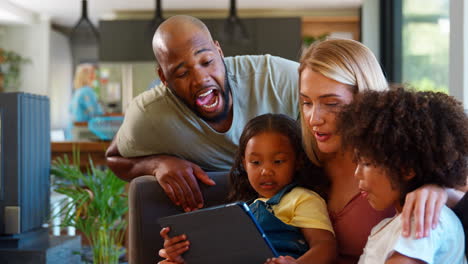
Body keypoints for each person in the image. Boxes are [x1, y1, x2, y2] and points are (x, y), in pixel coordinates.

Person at [105, 15, 299, 212]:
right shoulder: (149, 113)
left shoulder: (277, 79)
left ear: (219, 51)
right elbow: (114, 158)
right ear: (164, 77)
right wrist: (157, 164)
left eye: (206, 61)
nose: (200, 79)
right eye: (181, 73)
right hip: (217, 213)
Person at [297, 39, 466, 264]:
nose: (314, 118)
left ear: (362, 100)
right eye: (307, 102)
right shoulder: (298, 160)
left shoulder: (402, 163)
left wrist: (440, 188)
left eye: (331, 103)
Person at [159, 114, 336, 264]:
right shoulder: (243, 211)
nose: (266, 171)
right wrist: (182, 252)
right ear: (244, 163)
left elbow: (325, 246)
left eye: (278, 161)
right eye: (256, 162)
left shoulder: (302, 199)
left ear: (298, 161)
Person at [337, 88, 468, 264]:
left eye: (366, 163)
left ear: (406, 169)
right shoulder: (386, 227)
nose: (357, 174)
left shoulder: (425, 219)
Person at [67, 63, 104, 139]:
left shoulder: (77, 92)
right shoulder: (87, 91)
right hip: (84, 133)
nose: (95, 76)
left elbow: (70, 110)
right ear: (87, 75)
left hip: (73, 132)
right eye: (92, 73)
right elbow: (95, 113)